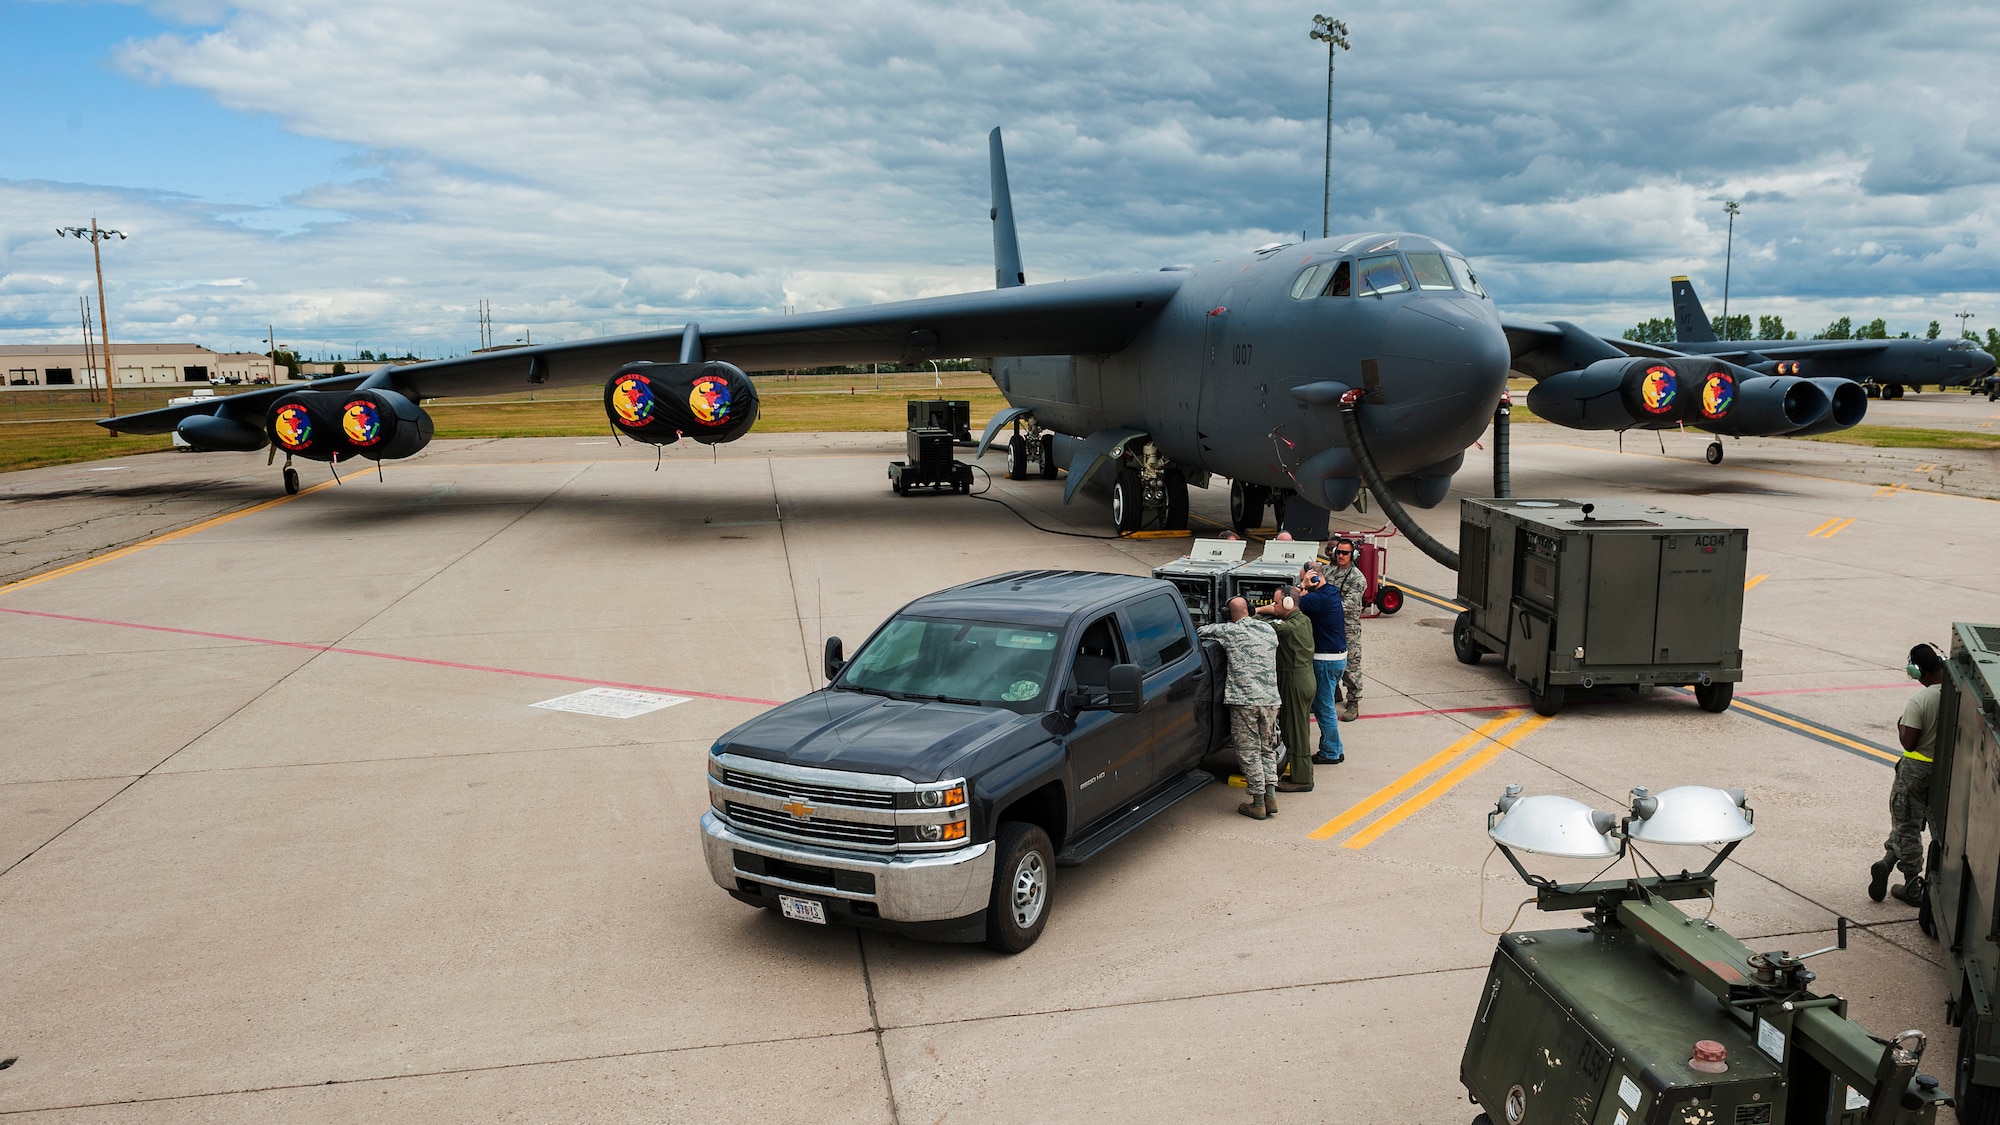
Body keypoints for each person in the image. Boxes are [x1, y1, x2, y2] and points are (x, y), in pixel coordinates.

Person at [1871, 643, 1945, 906]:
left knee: (1906, 826)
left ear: (1916, 671)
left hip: (1915, 772)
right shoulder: (1955, 694)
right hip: (1944, 773)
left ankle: (1912, 887)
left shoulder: (1920, 701)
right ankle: (1887, 862)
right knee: (1908, 823)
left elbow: (1909, 742)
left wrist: (1901, 725)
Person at [1198, 597, 1283, 820]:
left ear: (1228, 614)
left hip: (1244, 701)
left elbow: (1202, 632)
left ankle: (1257, 802)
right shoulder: (1268, 630)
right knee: (1267, 747)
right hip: (1270, 699)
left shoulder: (1228, 631)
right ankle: (1271, 795)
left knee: (1249, 751)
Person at [1256, 585, 1318, 791]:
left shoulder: (1287, 628)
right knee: (1299, 728)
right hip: (1305, 679)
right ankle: (1301, 773)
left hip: (1294, 682)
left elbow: (1264, 627)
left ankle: (1302, 780)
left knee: (1295, 732)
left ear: (1288, 603)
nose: (1273, 605)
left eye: (1276, 602)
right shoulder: (1303, 620)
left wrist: (1256, 611)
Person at [1295, 563, 1349, 765]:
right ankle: (1335, 748)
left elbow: (1289, 603)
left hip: (1325, 661)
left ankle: (1331, 751)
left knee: (1323, 706)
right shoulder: (1331, 591)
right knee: (1326, 705)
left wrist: (1303, 586)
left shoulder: (1315, 599)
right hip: (1337, 658)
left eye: (1305, 578)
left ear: (1314, 578)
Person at [1325, 538, 1367, 722]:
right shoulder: (1329, 572)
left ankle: (1353, 700)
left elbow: (1348, 605)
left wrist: (1321, 606)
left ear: (1353, 555)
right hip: (1328, 626)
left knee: (1351, 665)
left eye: (1345, 553)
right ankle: (1334, 693)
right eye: (1339, 552)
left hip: (1347, 628)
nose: (1341, 555)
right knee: (1326, 660)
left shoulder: (1358, 578)